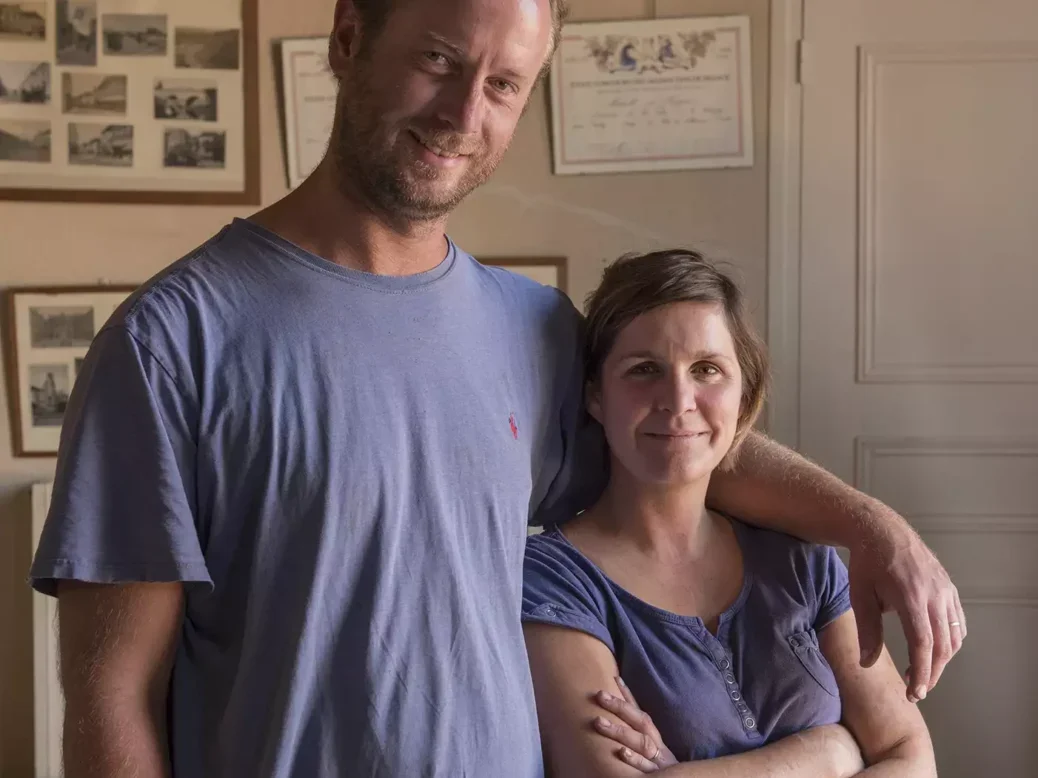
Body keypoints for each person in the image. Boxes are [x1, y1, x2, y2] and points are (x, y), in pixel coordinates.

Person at [29, 0, 962, 776]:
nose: (464, 114)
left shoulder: (536, 327)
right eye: (438, 60)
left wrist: (871, 527)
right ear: (349, 39)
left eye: (505, 84)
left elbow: (683, 443)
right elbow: (114, 704)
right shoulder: (169, 342)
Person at [523, 250, 938, 777]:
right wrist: (829, 754)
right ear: (596, 398)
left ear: (744, 399)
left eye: (707, 369)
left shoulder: (800, 561)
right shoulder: (551, 582)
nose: (678, 400)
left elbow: (911, 756)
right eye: (644, 369)